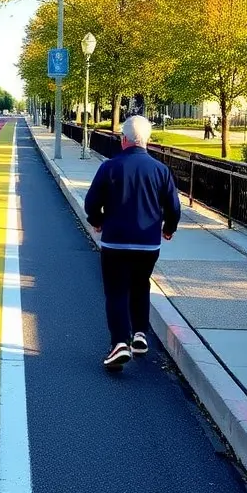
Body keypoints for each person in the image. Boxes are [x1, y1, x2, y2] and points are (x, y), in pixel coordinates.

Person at [83, 115, 181, 370]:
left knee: (116, 291)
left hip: (115, 242)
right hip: (148, 244)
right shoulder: (161, 170)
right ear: (147, 140)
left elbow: (91, 203)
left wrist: (98, 220)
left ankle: (119, 343)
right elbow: (173, 207)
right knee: (140, 285)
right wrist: (168, 229)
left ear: (123, 139)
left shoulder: (110, 167)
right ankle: (139, 333)